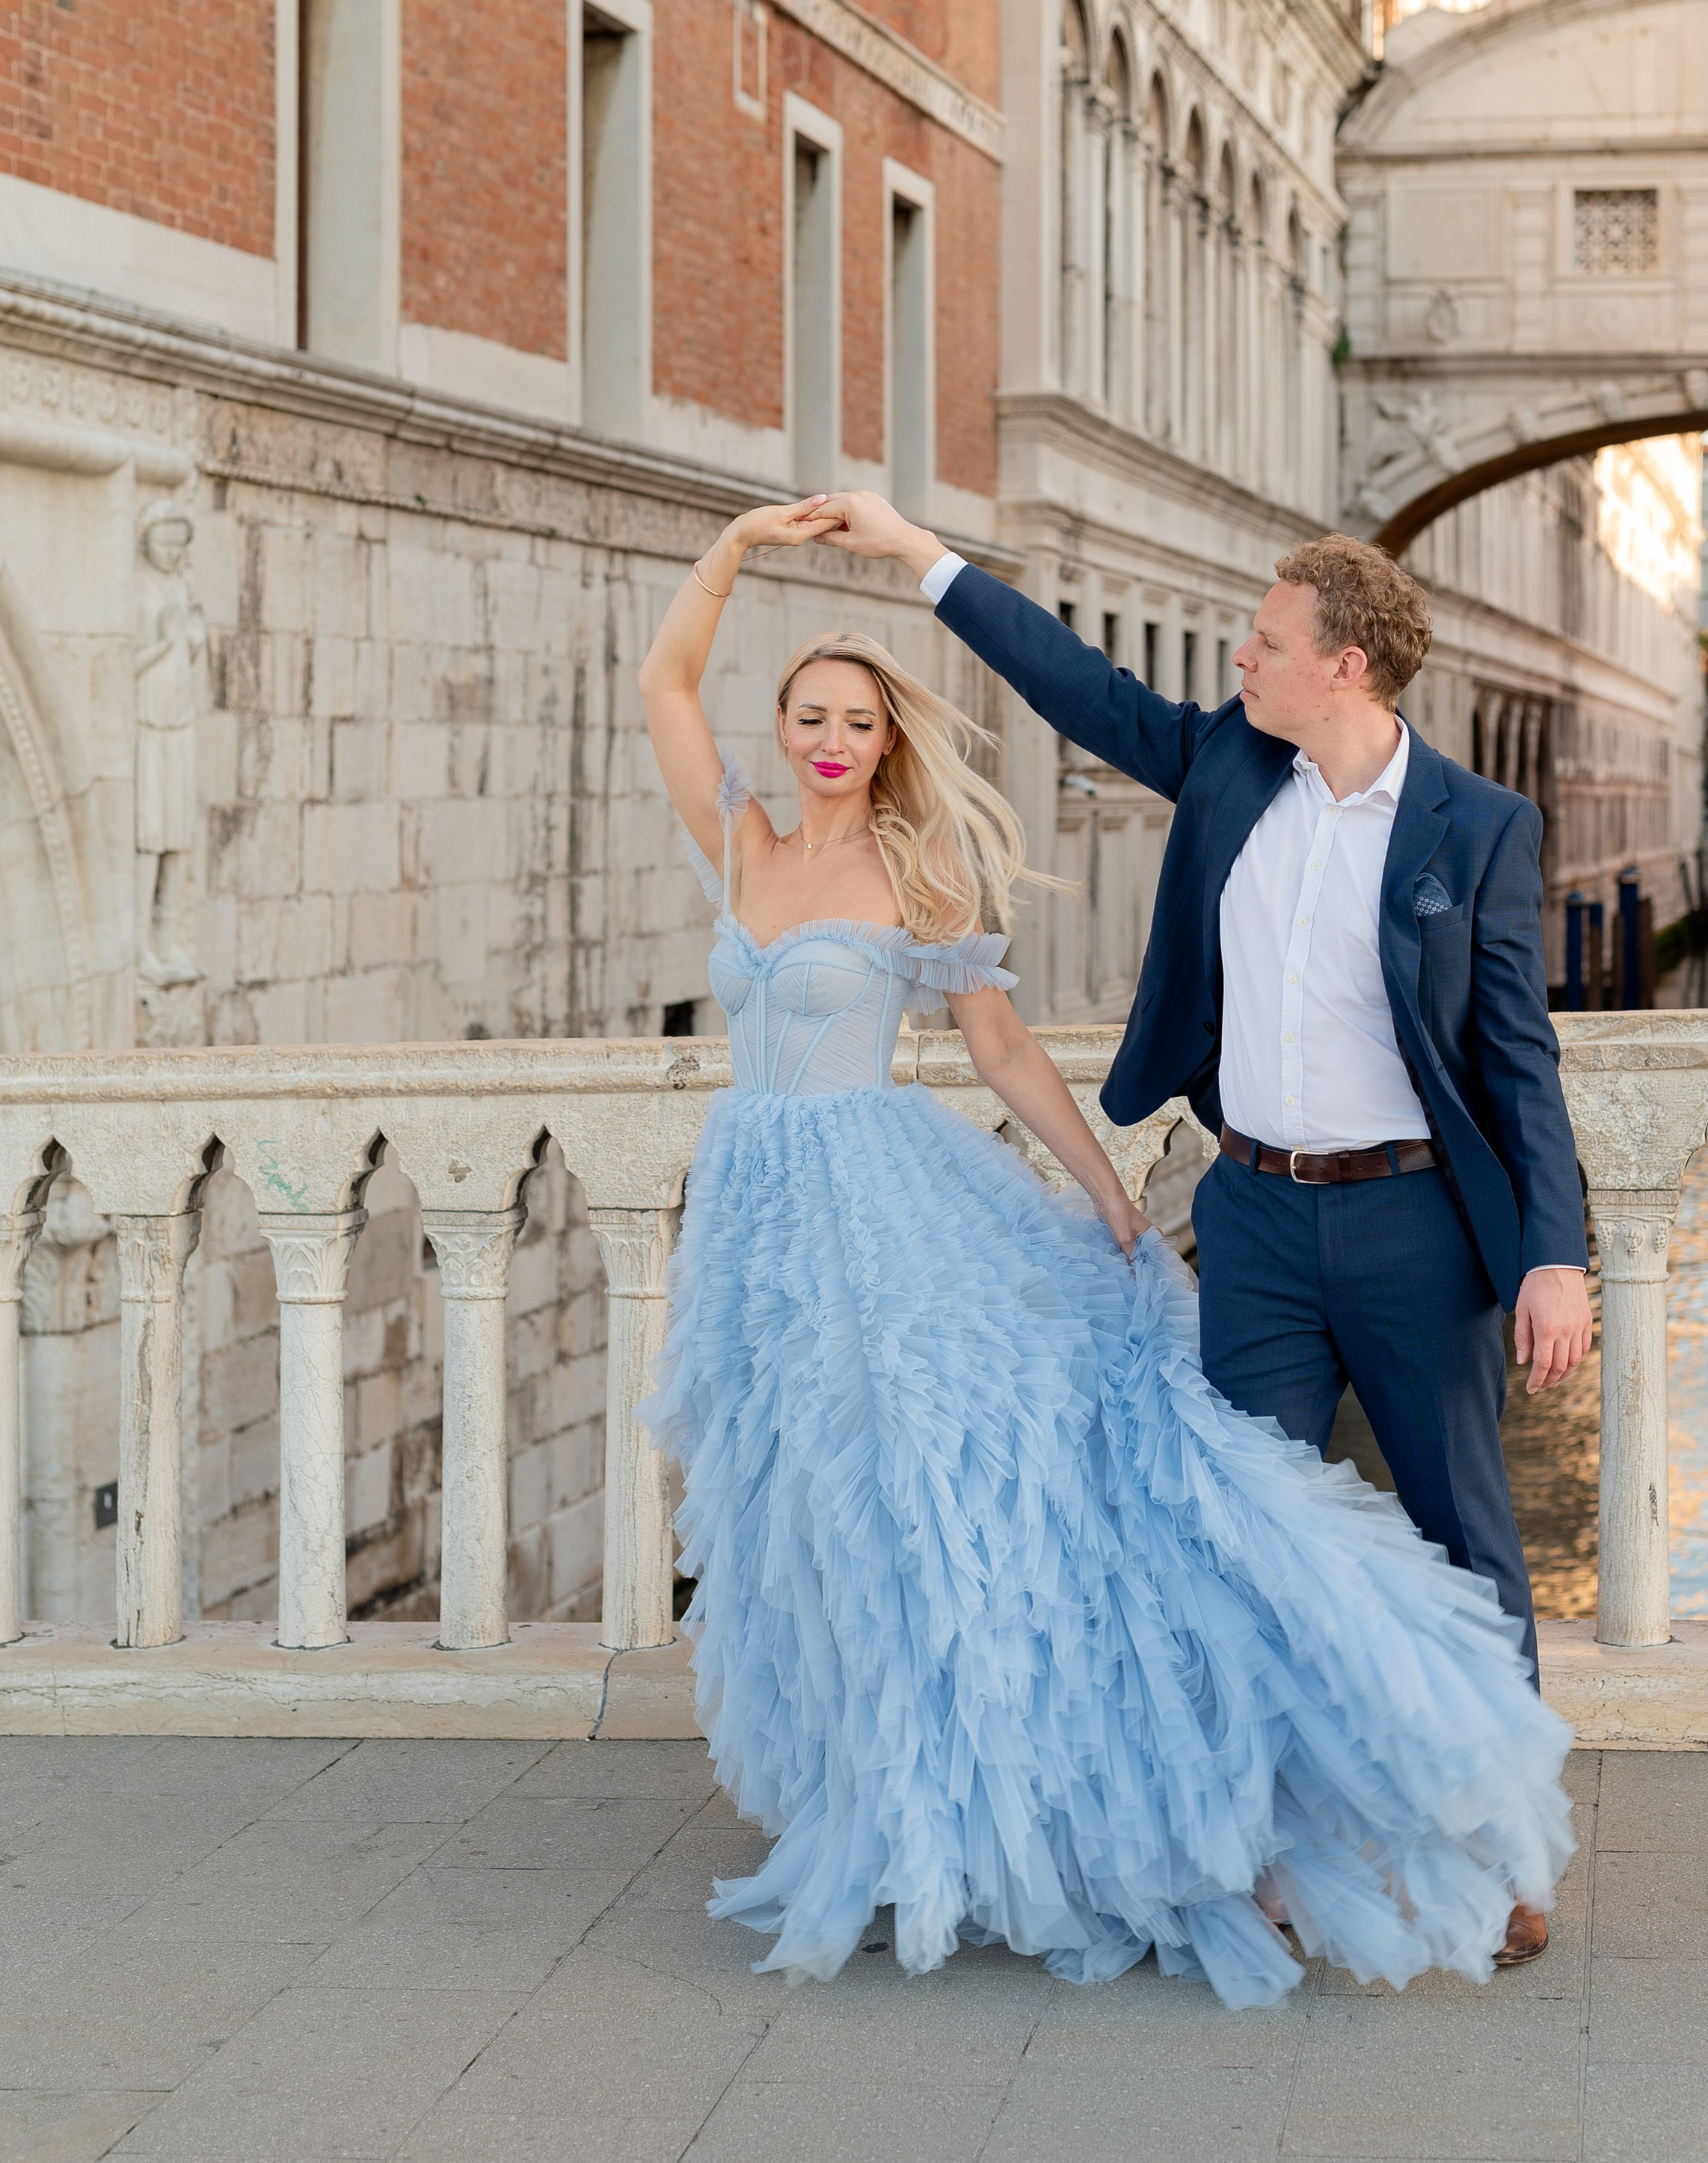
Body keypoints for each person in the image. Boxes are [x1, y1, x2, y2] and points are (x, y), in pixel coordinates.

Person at [636, 497, 1573, 2011]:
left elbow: (1514, 1062)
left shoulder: (1475, 826)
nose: (1237, 656)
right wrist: (833, 550)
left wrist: (1550, 1252)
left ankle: (1504, 1839)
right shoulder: (1218, 766)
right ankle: (1216, 1842)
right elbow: (1070, 685)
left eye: (1264, 639)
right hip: (1196, 1215)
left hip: (1395, 1221)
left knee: (1451, 1523)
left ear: (1341, 664)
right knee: (1167, 1532)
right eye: (808, 714)